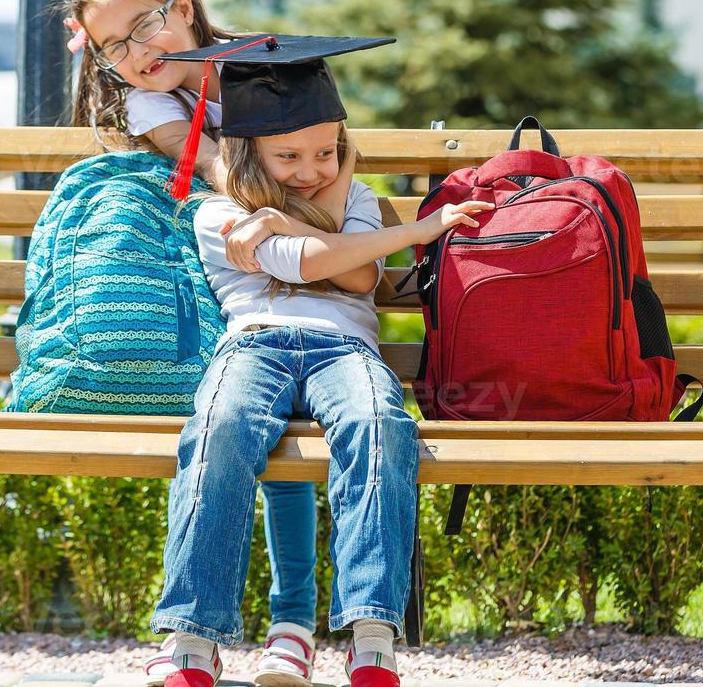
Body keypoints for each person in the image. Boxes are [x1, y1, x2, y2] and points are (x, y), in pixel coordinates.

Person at [149, 35, 493, 687]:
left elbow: (360, 277)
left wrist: (280, 221)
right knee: (219, 430)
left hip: (346, 351)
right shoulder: (217, 212)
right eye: (287, 157)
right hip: (254, 346)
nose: (310, 169)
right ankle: (193, 639)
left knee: (380, 427)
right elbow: (310, 265)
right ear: (248, 152)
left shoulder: (358, 199)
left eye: (325, 153)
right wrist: (419, 230)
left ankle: (371, 638)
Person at [62, 0, 336, 686]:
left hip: (313, 275)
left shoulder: (266, 64)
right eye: (112, 46)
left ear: (182, 7)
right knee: (252, 427)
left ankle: (292, 625)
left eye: (143, 26)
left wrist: (294, 206)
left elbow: (328, 157)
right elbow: (219, 168)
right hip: (232, 285)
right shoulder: (151, 106)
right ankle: (227, 634)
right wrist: (273, 204)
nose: (134, 54)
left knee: (288, 432)